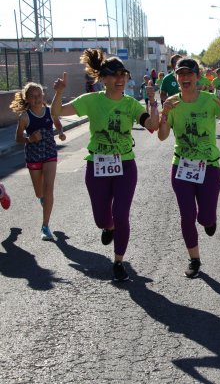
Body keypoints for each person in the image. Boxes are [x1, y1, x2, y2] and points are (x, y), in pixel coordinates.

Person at [51, 49, 160, 282]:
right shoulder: (91, 101)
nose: (121, 80)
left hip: (125, 166)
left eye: (124, 75)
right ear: (103, 79)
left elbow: (152, 125)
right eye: (115, 76)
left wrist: (153, 102)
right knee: (103, 219)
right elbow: (58, 112)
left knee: (121, 214)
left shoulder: (131, 104)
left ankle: (119, 262)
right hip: (97, 166)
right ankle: (107, 228)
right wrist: (59, 93)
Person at [157, 58, 220, 278]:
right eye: (180, 74)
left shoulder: (211, 101)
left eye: (189, 74)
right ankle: (194, 259)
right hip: (181, 167)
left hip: (209, 167)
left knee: (205, 217)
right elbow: (163, 136)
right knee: (187, 215)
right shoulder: (172, 104)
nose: (185, 78)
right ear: (176, 78)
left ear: (197, 77)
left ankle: (209, 220)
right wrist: (163, 115)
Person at [10, 82, 67, 240]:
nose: (37, 98)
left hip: (49, 153)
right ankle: (43, 200)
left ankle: (45, 226)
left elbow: (58, 125)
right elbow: (18, 138)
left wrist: (61, 133)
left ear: (43, 96)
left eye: (39, 95)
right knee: (39, 192)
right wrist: (29, 138)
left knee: (49, 189)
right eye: (33, 96)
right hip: (33, 155)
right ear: (27, 99)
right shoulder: (25, 117)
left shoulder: (50, 112)